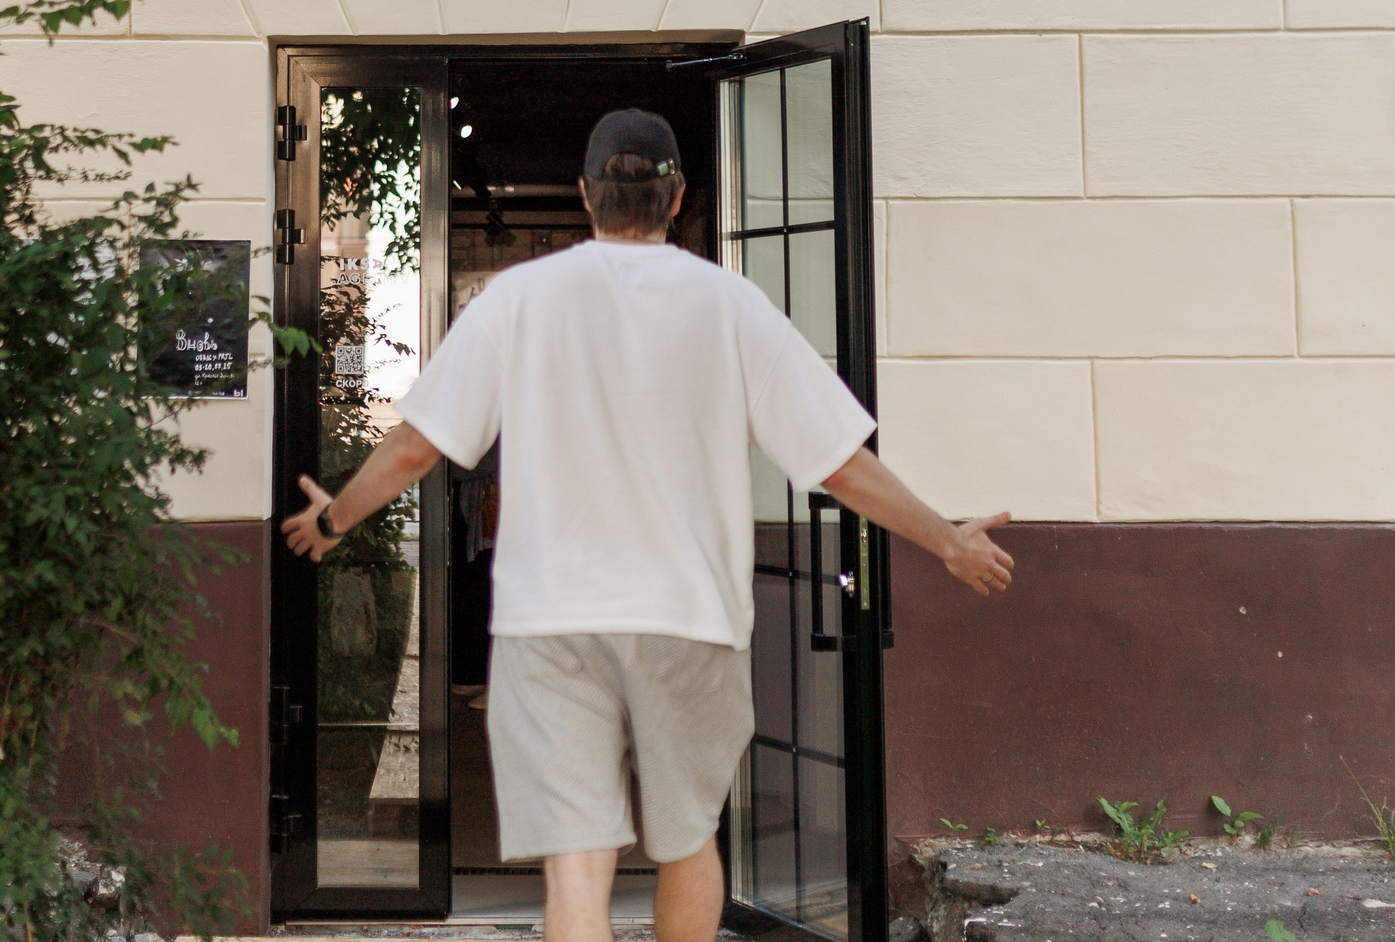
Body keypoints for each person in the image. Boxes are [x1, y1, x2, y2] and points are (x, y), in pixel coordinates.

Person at [282, 108, 1014, 942]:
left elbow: (418, 445)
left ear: (586, 194)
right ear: (678, 199)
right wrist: (947, 540)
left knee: (578, 869)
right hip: (690, 620)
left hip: (550, 622)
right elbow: (839, 463)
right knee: (688, 843)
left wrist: (335, 516)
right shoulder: (732, 303)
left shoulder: (518, 299)